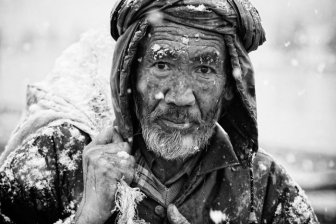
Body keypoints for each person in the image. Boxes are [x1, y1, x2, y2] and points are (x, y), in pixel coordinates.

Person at [0, 0, 319, 223]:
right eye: (163, 64)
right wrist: (86, 219)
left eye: (205, 69)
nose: (180, 97)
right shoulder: (56, 158)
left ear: (228, 86)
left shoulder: (265, 187)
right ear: (129, 74)